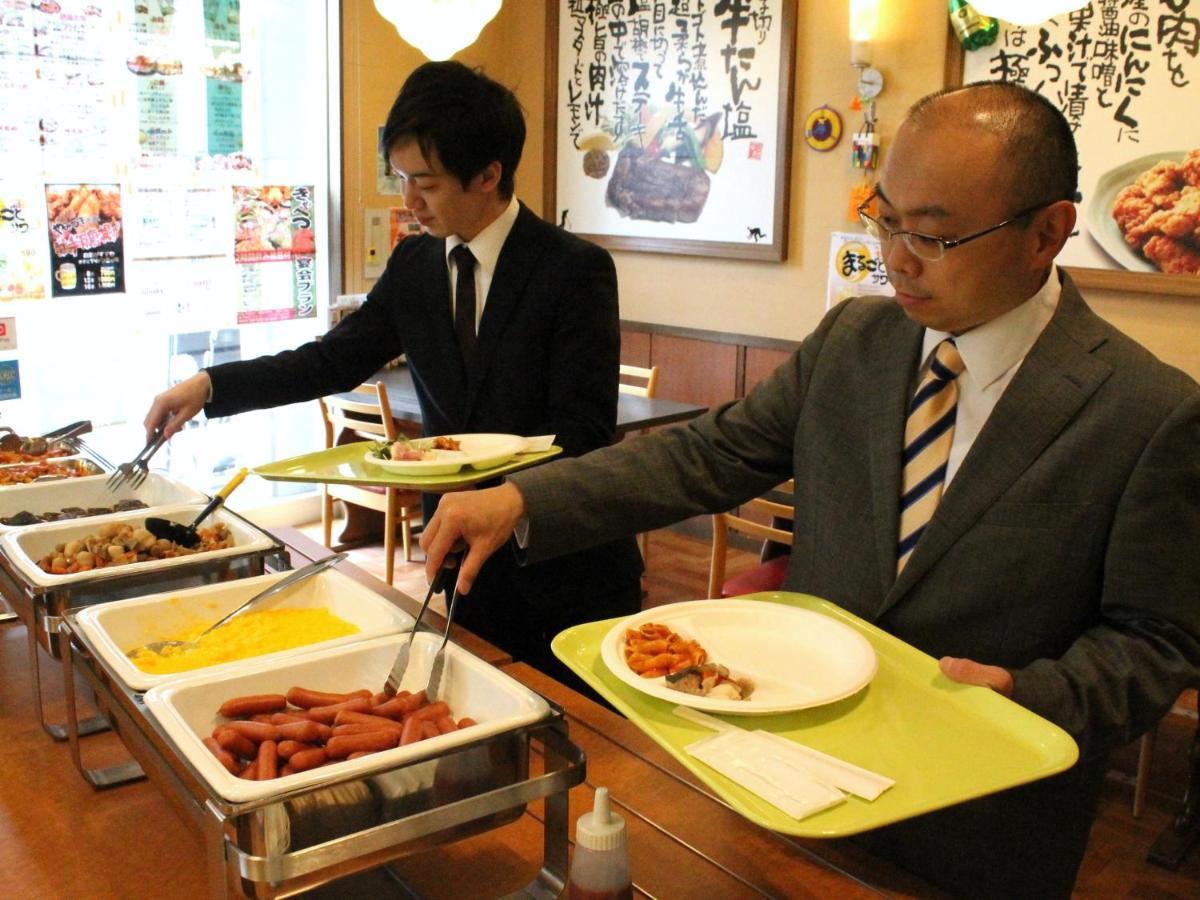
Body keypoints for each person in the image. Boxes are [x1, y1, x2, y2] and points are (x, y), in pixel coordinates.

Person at [420, 81, 1200, 898]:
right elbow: (708, 453)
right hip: (793, 780)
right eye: (885, 217)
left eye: (933, 235)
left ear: (1048, 232)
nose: (895, 257)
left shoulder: (1147, 411)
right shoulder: (856, 342)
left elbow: (1154, 641)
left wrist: (1026, 693)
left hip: (981, 819)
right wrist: (527, 500)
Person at [143, 60, 643, 685]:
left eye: (425, 184)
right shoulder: (415, 265)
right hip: (460, 557)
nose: (407, 201)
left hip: (562, 562)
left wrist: (504, 497)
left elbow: (584, 429)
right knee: (472, 734)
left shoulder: (573, 270)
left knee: (579, 748)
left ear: (488, 174)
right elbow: (332, 360)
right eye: (401, 177)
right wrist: (212, 386)